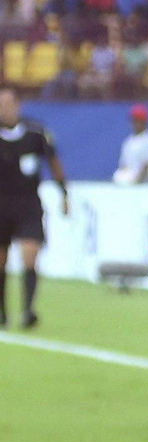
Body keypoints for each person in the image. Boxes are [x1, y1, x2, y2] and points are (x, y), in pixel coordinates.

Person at [0, 86, 69, 330]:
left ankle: (28, 310)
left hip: (28, 203)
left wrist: (64, 192)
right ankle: (3, 313)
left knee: (30, 254)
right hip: (1, 204)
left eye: (7, 104)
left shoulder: (35, 132)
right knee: (2, 259)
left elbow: (53, 161)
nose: (3, 109)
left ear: (17, 105)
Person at [113, 104, 148, 184]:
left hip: (147, 182)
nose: (137, 123)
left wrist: (138, 184)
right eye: (135, 120)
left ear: (145, 121)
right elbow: (124, 165)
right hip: (130, 178)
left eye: (140, 120)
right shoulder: (128, 141)